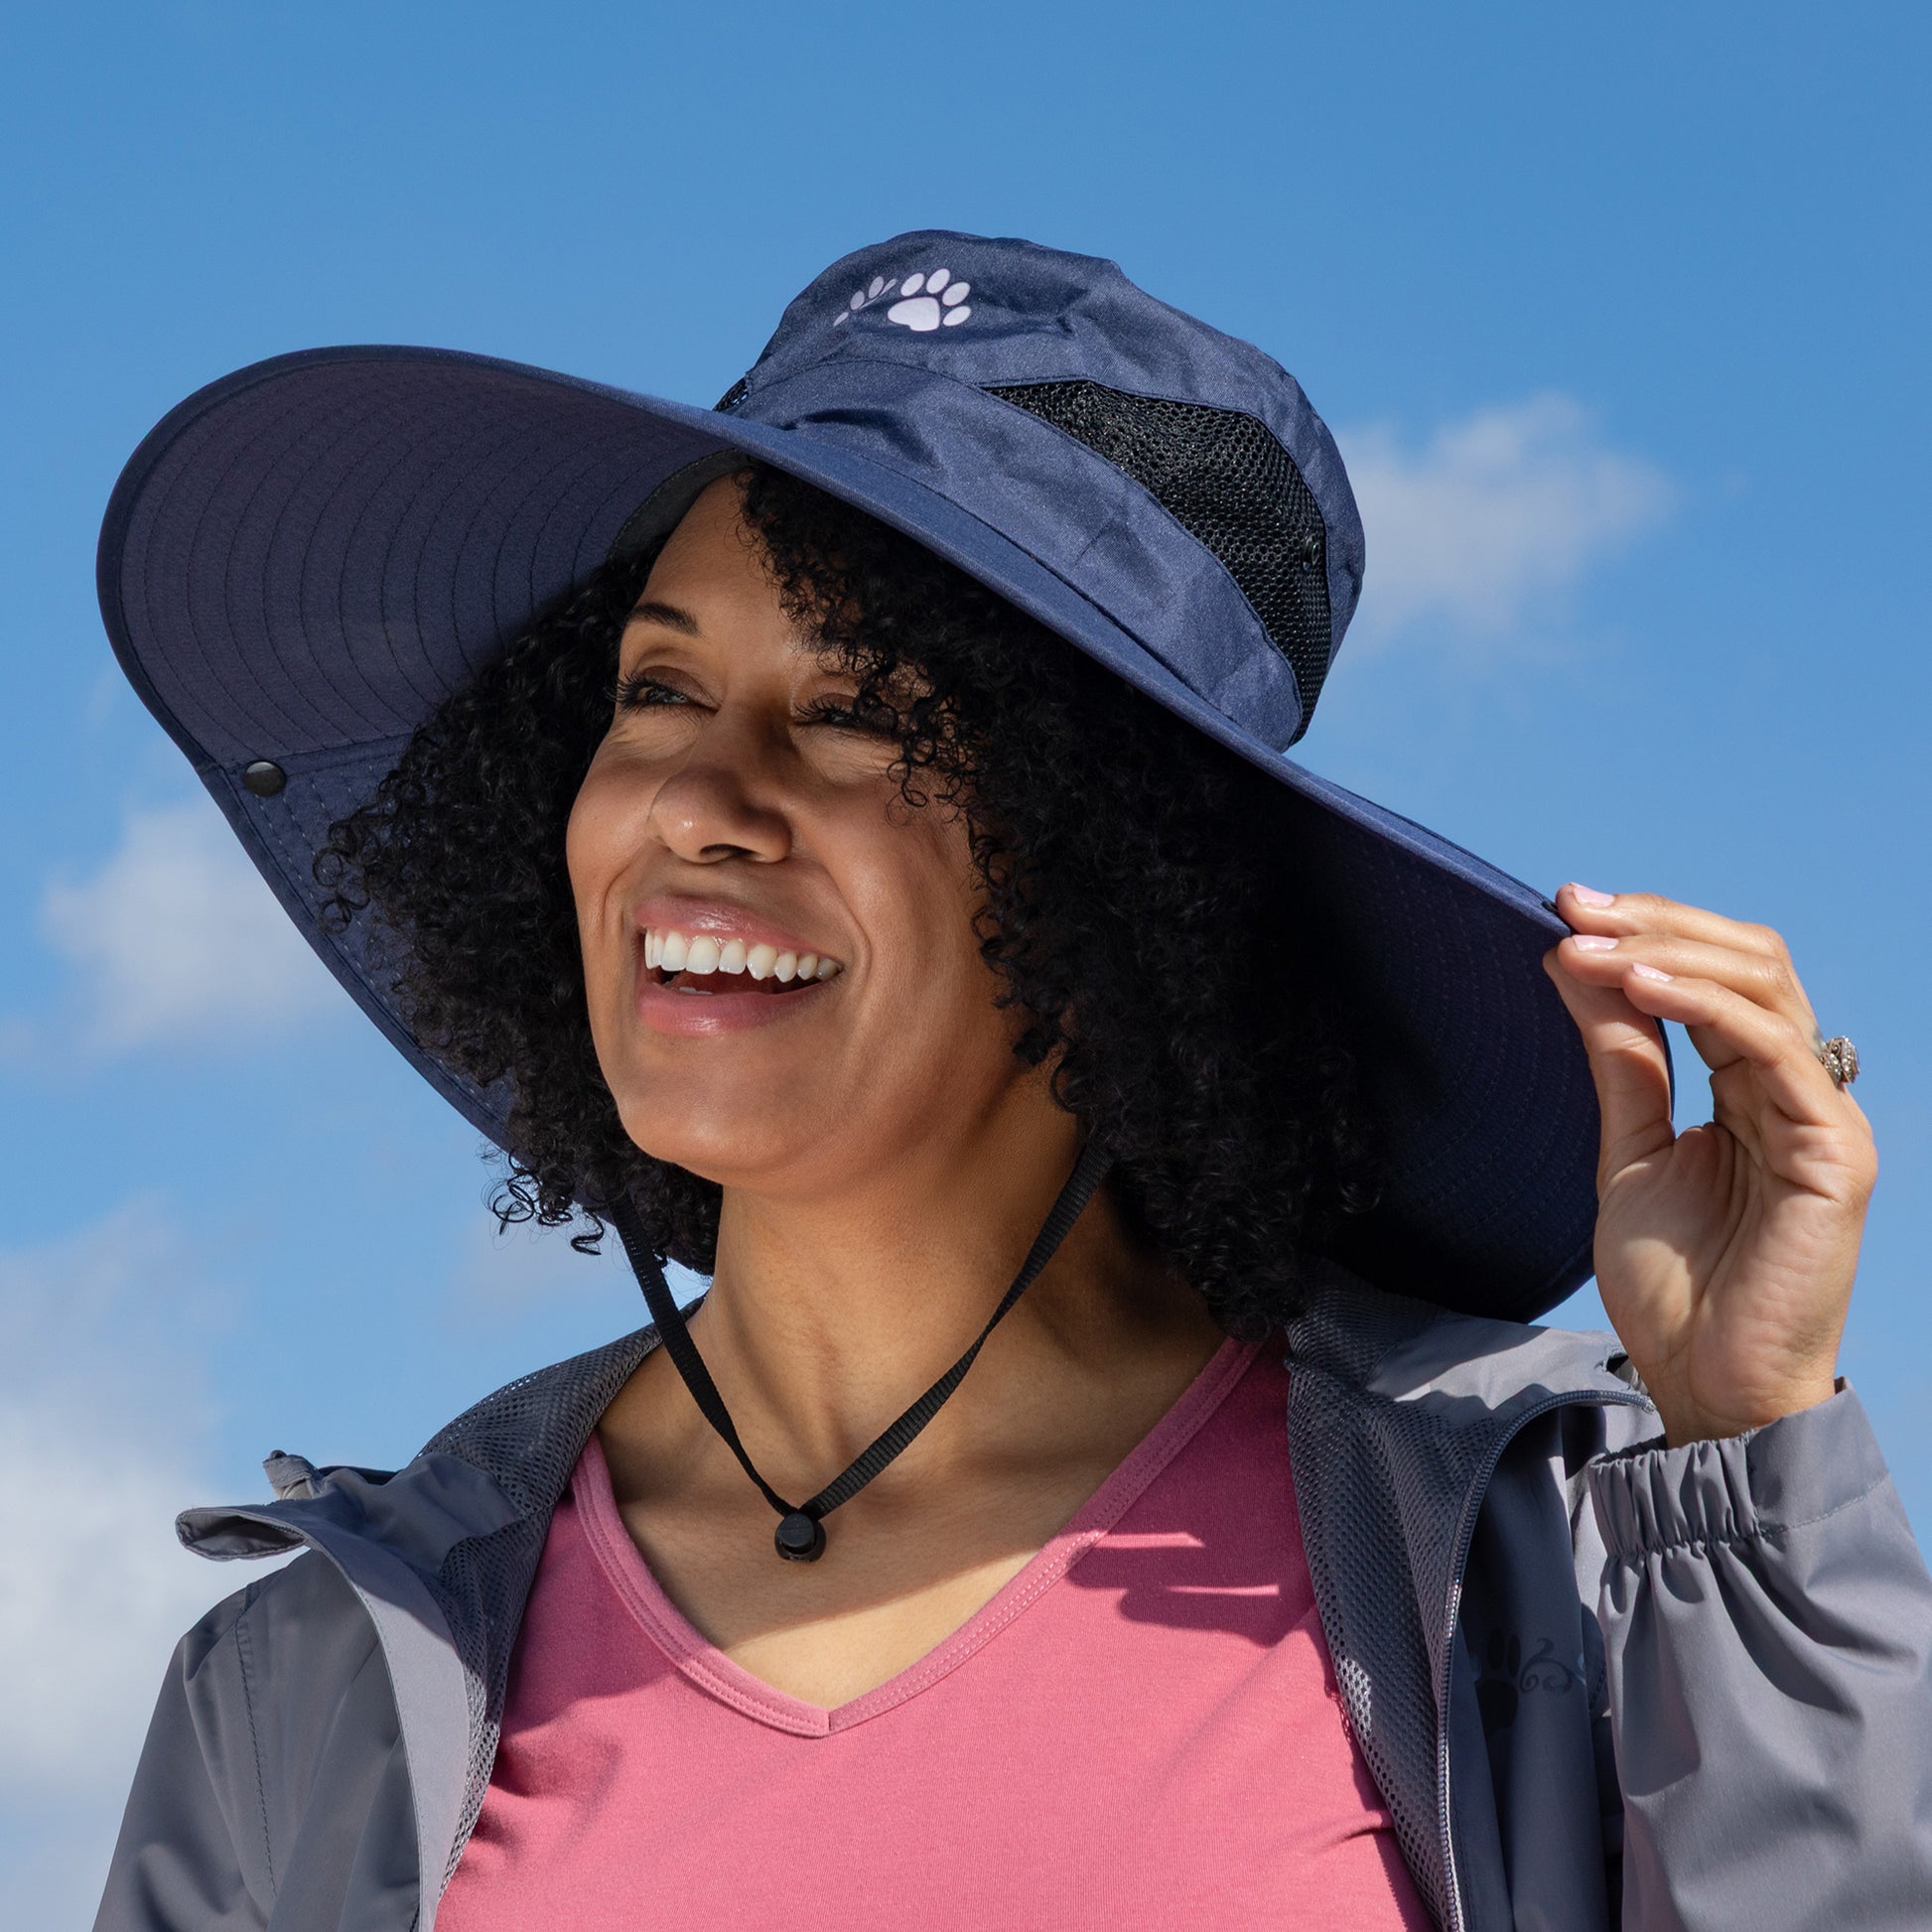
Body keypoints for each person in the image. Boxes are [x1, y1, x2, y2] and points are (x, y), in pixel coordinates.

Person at [91, 232, 1931, 1931]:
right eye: (655, 690)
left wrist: (1747, 1457)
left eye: (855, 714)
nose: (696, 801)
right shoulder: (311, 1674)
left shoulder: (1539, 1553)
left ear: (1112, 864)